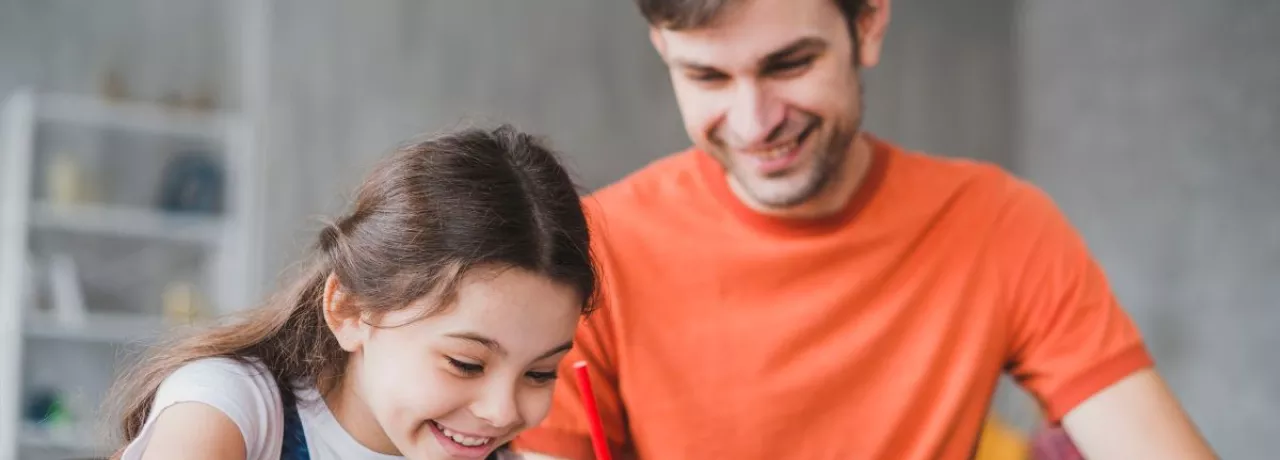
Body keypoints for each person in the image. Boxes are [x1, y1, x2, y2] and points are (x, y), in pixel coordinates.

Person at [512, 0, 1217, 458]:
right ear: (664, 53)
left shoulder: (1000, 226)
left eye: (790, 64)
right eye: (707, 77)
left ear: (870, 23)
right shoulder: (596, 248)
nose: (755, 123)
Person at [106, 125, 600, 460]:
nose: (503, 411)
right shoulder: (228, 405)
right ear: (350, 310)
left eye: (539, 373)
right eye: (466, 363)